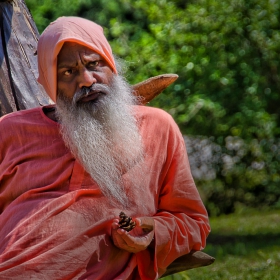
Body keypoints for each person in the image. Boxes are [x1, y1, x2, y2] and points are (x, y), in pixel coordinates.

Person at [0, 17, 210, 279]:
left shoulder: (158, 127)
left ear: (111, 65)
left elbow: (193, 222)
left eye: (94, 64)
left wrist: (152, 230)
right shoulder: (9, 130)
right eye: (69, 72)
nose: (87, 80)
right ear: (51, 83)